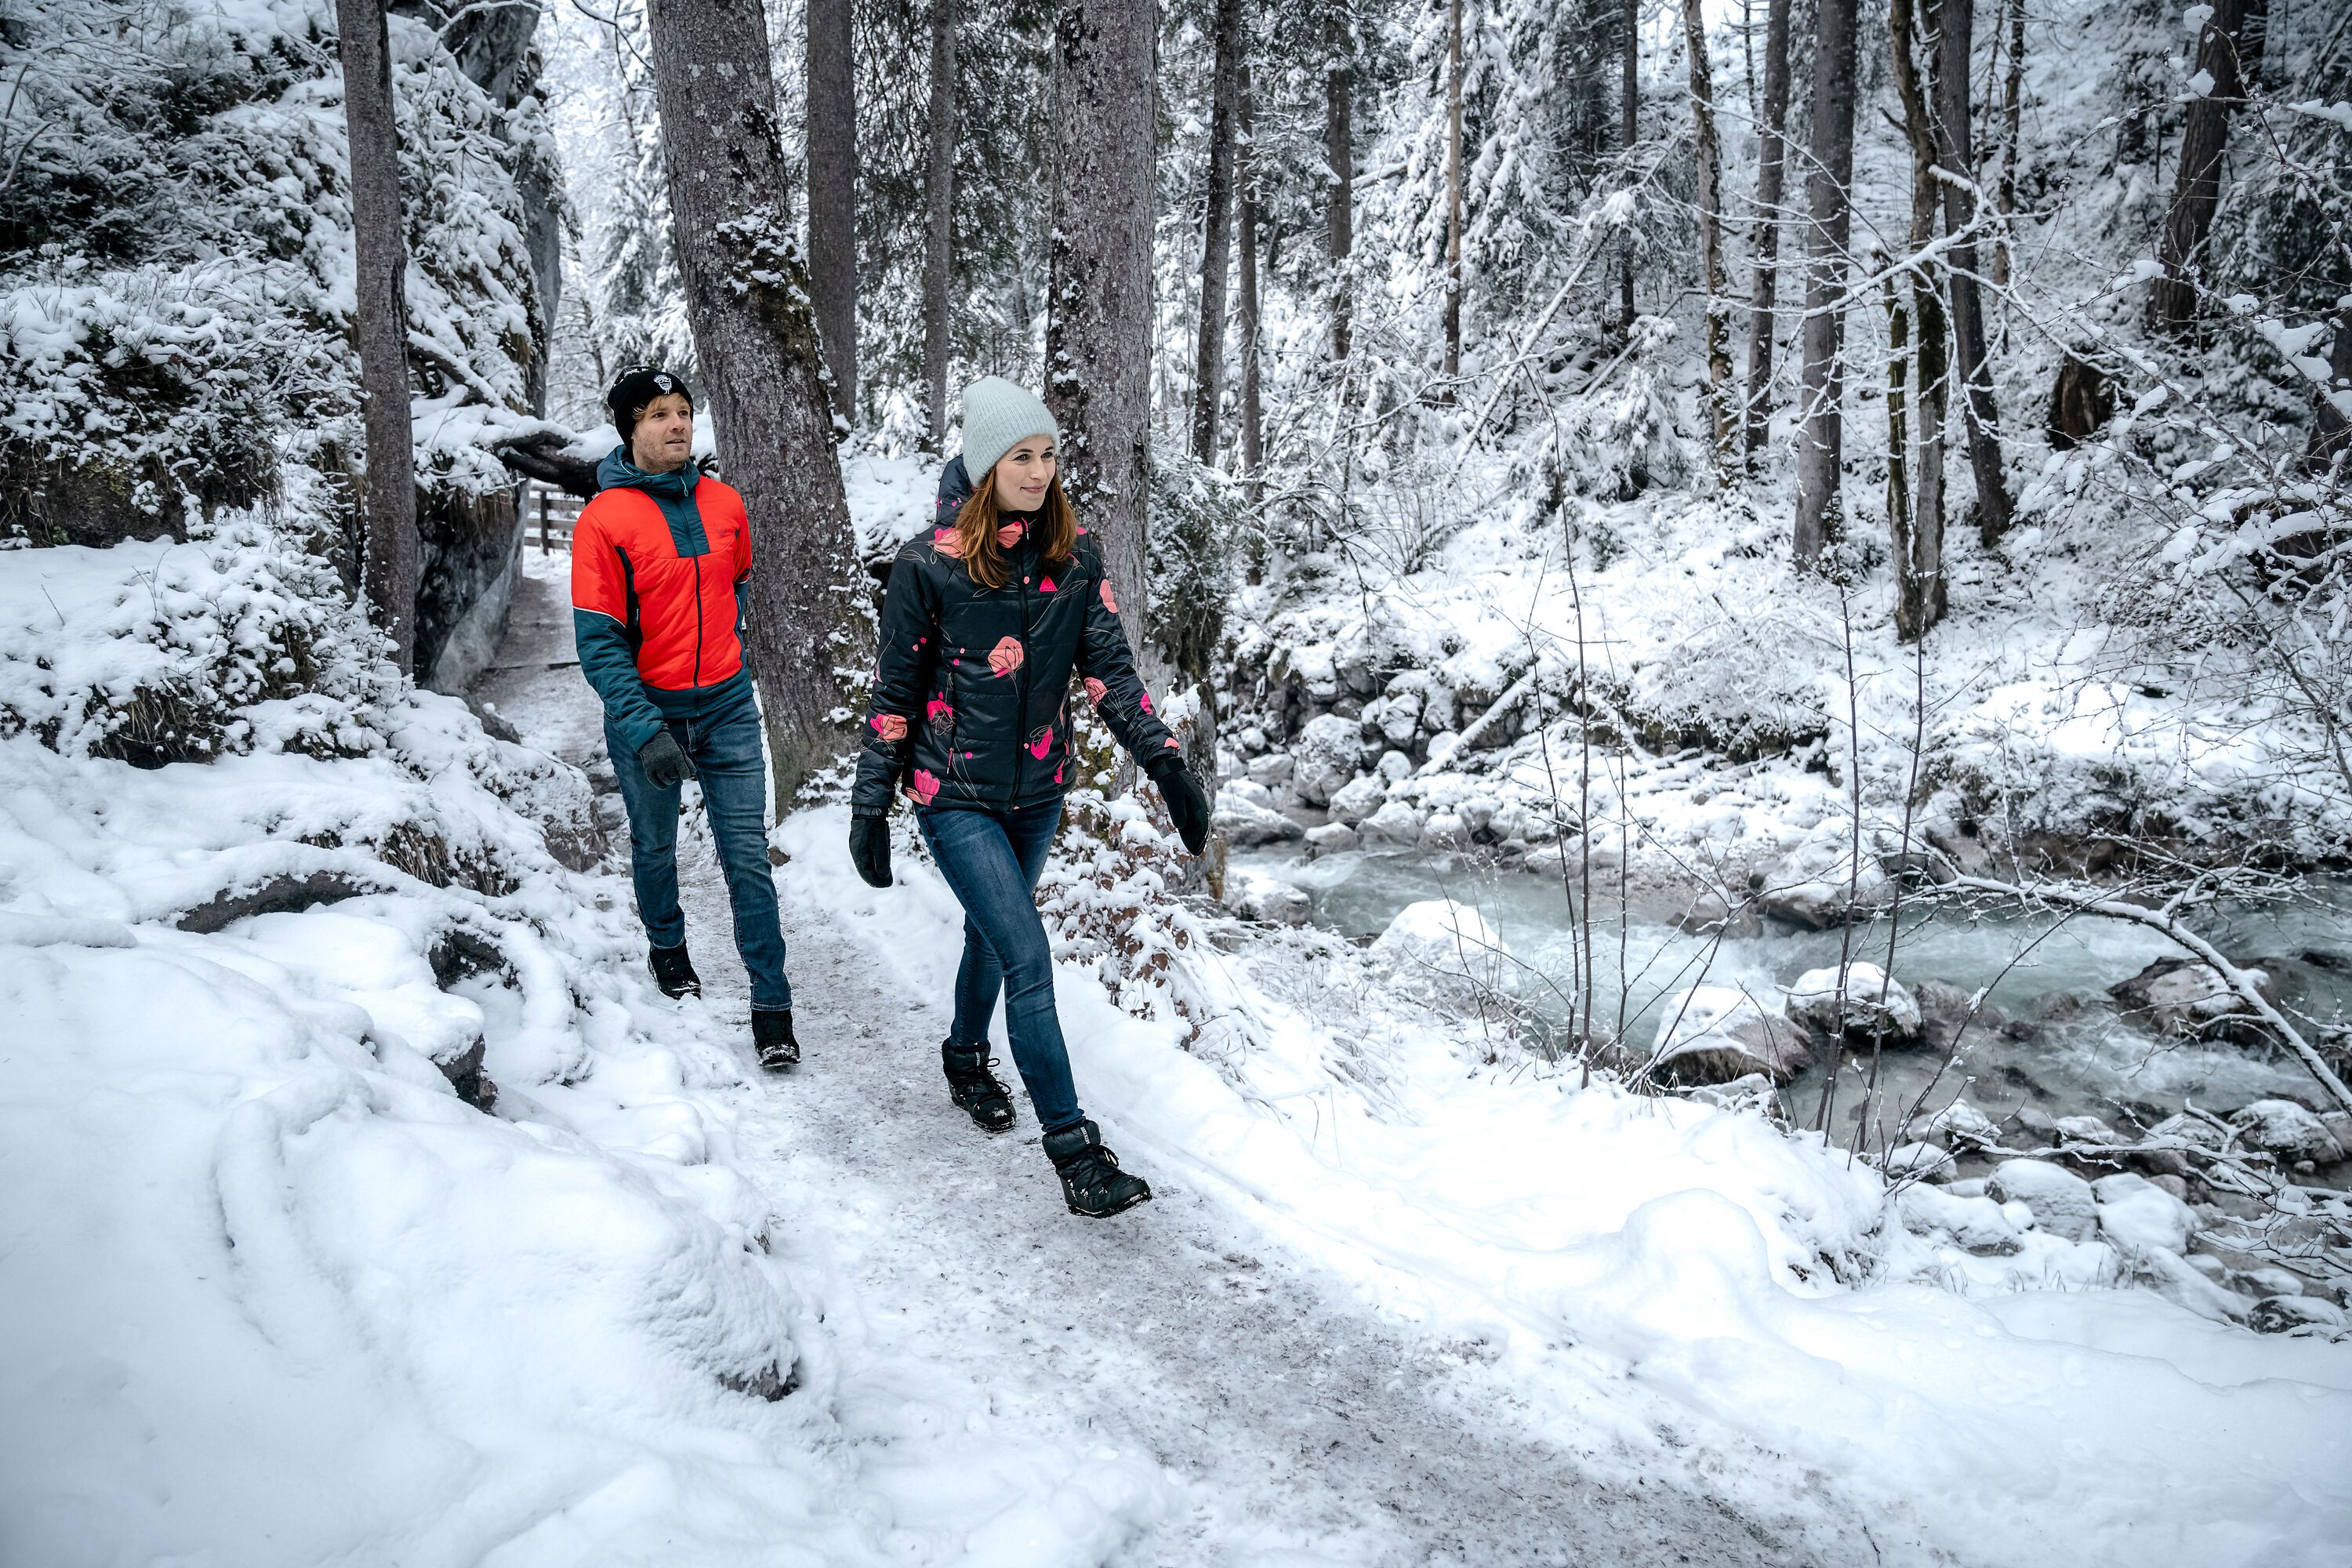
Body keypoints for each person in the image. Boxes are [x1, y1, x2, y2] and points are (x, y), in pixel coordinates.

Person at [848, 376, 1212, 1218]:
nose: (1041, 470)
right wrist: (873, 800)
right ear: (985, 465)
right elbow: (894, 692)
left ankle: (966, 1057)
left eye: (1048, 454)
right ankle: (1075, 1153)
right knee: (1027, 953)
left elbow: (1110, 674)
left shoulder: (1073, 557)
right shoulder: (925, 566)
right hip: (955, 793)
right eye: (1022, 455)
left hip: (1039, 790)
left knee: (992, 930)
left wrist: (1166, 764)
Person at [572, 368, 800, 1071]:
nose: (677, 425)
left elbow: (734, 584)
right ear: (629, 429)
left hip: (728, 704)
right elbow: (599, 641)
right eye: (659, 415)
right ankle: (668, 947)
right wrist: (645, 729)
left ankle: (772, 1009)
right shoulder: (603, 521)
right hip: (650, 711)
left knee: (746, 860)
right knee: (655, 845)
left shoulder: (726, 503)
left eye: (684, 412)